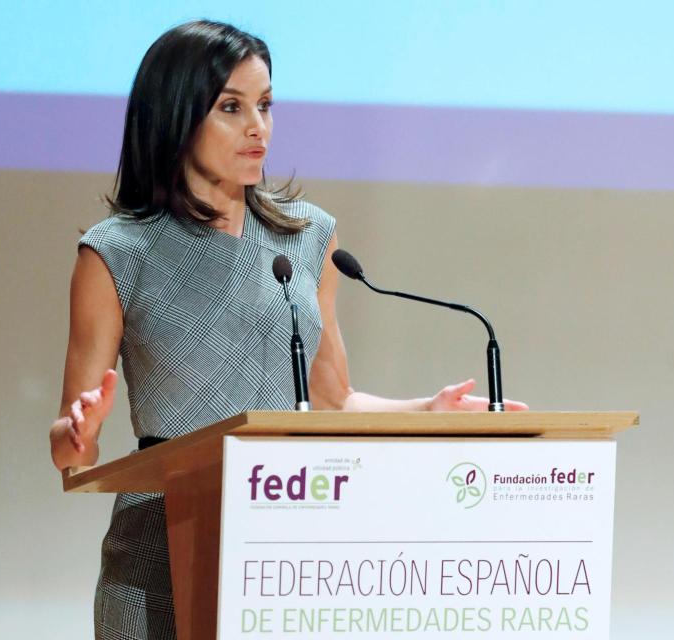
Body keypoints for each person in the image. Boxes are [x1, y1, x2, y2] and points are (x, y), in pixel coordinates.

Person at [48, 20, 526, 639]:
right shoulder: (117, 252)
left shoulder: (306, 238)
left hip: (287, 546)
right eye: (231, 107)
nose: (259, 127)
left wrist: (425, 410)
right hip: (161, 548)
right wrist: (78, 428)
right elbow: (70, 453)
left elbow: (333, 399)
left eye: (266, 105)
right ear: (174, 114)